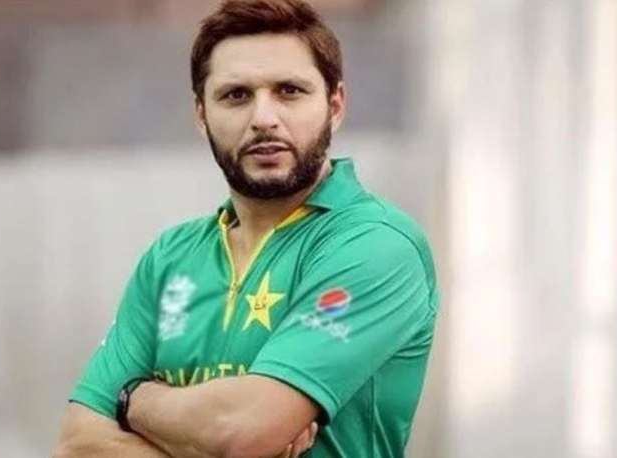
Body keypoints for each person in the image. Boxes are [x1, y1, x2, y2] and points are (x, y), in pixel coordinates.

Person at [53, 0, 440, 456]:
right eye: (236, 95)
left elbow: (241, 431)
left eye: (289, 91)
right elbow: (77, 444)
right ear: (202, 115)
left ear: (335, 105)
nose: (263, 119)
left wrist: (133, 398)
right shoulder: (170, 257)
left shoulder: (376, 245)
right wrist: (220, 437)